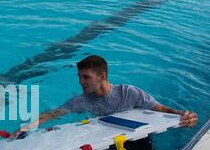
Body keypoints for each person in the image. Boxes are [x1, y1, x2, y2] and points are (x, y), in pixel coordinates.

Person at [19, 55, 198, 132]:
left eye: (86, 77)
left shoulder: (129, 93)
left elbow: (160, 108)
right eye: (79, 77)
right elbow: (53, 114)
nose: (80, 82)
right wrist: (25, 128)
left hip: (137, 134)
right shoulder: (82, 101)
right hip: (105, 136)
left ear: (102, 76)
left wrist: (183, 115)